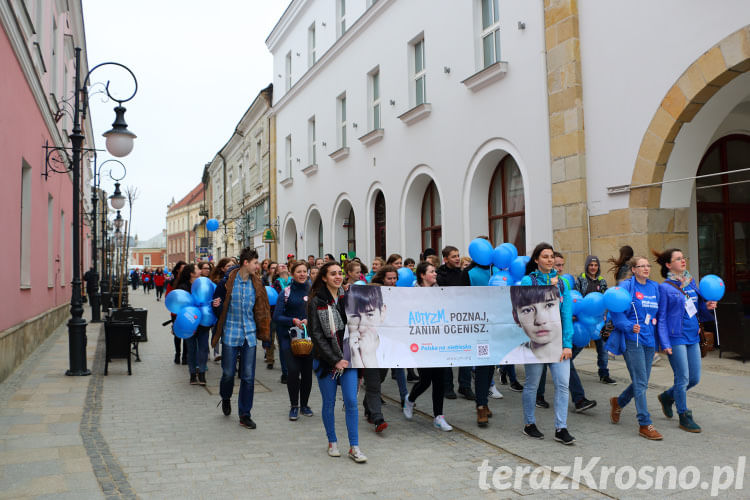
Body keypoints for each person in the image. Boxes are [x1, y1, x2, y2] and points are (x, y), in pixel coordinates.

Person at [308, 262, 367, 463]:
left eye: (339, 273)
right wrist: (335, 360)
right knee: (329, 403)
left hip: (349, 357)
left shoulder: (348, 297)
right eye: (332, 274)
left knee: (351, 401)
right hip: (327, 361)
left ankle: (354, 446)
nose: (337, 277)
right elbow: (316, 334)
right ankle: (332, 441)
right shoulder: (316, 301)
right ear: (324, 278)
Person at [653, 248, 716, 433]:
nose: (683, 261)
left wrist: (708, 306)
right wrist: (664, 343)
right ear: (668, 265)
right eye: (678, 259)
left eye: (683, 257)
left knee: (694, 378)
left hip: (693, 335)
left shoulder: (691, 283)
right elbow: (662, 317)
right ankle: (684, 415)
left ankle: (667, 397)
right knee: (682, 378)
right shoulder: (664, 287)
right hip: (675, 336)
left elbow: (699, 310)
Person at [519, 243, 576, 445]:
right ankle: (529, 423)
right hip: (537, 340)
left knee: (562, 384)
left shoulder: (563, 284)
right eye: (545, 256)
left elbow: (566, 315)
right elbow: (526, 308)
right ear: (536, 260)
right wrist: (547, 290)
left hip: (557, 342)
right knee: (532, 384)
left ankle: (561, 428)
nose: (550, 260)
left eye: (552, 256)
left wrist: (567, 344)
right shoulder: (528, 280)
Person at [211, 248, 271, 430]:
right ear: (246, 263)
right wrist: (215, 306)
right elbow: (216, 304)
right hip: (230, 333)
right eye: (255, 262)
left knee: (248, 376)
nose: (257, 266)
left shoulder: (257, 284)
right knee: (228, 373)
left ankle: (245, 414)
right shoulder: (227, 282)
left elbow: (263, 310)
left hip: (249, 335)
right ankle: (226, 396)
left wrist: (265, 336)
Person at [608, 256, 663, 440]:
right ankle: (644, 423)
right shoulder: (627, 287)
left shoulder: (654, 287)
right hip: (633, 339)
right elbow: (616, 310)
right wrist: (628, 326)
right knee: (640, 381)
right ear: (634, 269)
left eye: (648, 265)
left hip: (649, 339)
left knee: (642, 381)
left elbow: (660, 313)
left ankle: (619, 402)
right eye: (642, 266)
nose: (646, 268)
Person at [403, 261, 453, 431]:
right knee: (425, 380)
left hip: (439, 341)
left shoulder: (440, 291)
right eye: (431, 272)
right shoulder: (413, 294)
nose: (435, 274)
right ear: (422, 275)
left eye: (435, 271)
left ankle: (439, 416)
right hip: (421, 342)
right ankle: (410, 399)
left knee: (440, 380)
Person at [461, 239, 501, 427]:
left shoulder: (499, 272)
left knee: (490, 366)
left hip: (497, 328)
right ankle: (480, 406)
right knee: (482, 366)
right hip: (478, 328)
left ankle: (483, 401)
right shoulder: (468, 274)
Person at [273, 261, 314, 421]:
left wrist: (309, 320)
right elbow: (277, 317)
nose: (302, 274)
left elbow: (318, 312)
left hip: (308, 339)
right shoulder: (286, 292)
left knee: (307, 374)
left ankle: (305, 405)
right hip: (289, 339)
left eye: (305, 271)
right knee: (293, 371)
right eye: (299, 272)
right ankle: (294, 406)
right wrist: (293, 320)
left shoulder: (313, 292)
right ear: (292, 274)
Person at [346, 285, 389, 434]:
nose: (363, 326)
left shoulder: (392, 344)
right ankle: (378, 418)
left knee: (379, 379)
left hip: (384, 354)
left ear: (382, 312)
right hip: (365, 354)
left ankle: (368, 404)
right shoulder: (353, 343)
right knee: (373, 384)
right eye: (357, 316)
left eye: (370, 315)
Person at [436, 246, 473, 400]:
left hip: (462, 317)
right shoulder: (439, 275)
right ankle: (447, 387)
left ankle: (465, 386)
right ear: (445, 259)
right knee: (448, 353)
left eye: (458, 256)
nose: (457, 259)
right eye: (453, 257)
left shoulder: (463, 274)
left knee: (466, 353)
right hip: (445, 318)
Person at [575, 255, 616, 385]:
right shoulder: (581, 279)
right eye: (591, 265)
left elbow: (606, 299)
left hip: (600, 320)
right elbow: (577, 298)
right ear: (587, 266)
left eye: (596, 265)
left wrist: (605, 314)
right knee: (578, 345)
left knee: (603, 348)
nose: (593, 267)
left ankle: (604, 374)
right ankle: (565, 365)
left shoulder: (602, 281)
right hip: (584, 320)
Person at [174, 264, 210, 385]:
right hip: (189, 323)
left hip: (204, 322)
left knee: (204, 349)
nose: (200, 270)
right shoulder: (183, 287)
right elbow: (180, 306)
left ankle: (202, 373)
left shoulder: (203, 284)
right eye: (197, 269)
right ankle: (192, 374)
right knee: (192, 349)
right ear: (191, 273)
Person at [166, 261, 187, 365]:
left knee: (187, 334)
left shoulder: (188, 281)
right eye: (183, 268)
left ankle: (185, 356)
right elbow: (167, 296)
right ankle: (177, 354)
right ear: (178, 269)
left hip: (187, 312)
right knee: (177, 334)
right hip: (176, 312)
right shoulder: (172, 282)